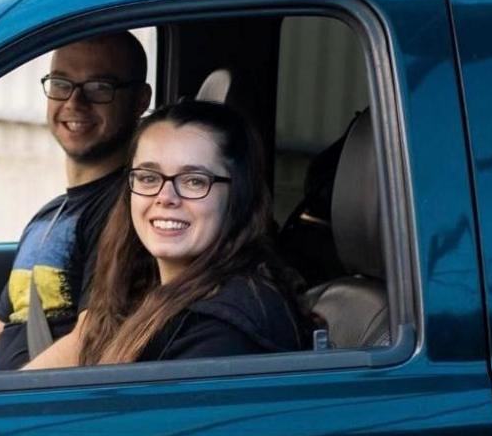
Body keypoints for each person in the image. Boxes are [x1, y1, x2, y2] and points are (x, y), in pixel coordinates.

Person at [0, 31, 152, 375]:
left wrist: (0, 403)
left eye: (98, 88)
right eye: (62, 84)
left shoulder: (129, 211)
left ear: (139, 100)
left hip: (34, 413)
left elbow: (88, 342)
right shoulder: (49, 216)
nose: (74, 103)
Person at [26, 100, 306, 369]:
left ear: (238, 196)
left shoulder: (225, 333)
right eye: (148, 177)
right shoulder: (142, 289)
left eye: (194, 181)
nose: (165, 196)